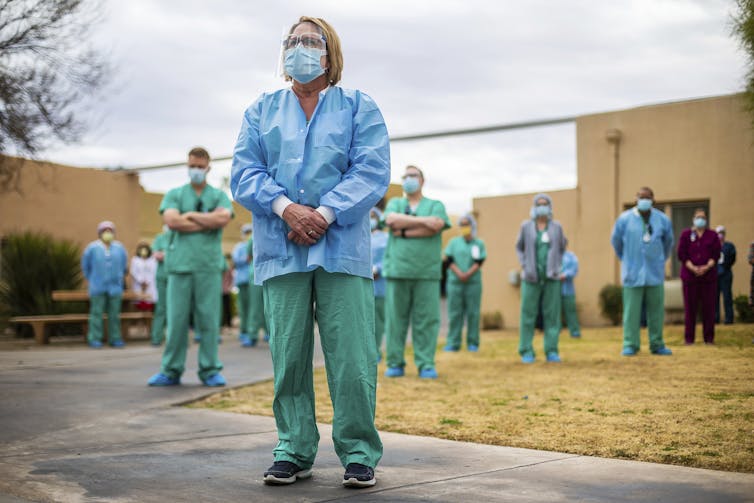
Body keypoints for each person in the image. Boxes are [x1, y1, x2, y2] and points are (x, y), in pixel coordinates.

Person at [230, 16, 389, 488]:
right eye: (292, 41)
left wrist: (323, 213)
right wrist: (285, 208)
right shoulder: (261, 110)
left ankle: (359, 451)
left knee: (353, 355)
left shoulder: (359, 107)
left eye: (310, 40)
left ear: (329, 51)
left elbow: (372, 170)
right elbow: (244, 171)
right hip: (281, 247)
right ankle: (293, 448)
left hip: (341, 247)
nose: (299, 47)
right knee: (289, 354)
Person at [148, 146, 233, 387]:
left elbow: (223, 218)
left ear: (208, 167)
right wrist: (207, 222)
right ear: (188, 166)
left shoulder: (218, 196)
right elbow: (171, 221)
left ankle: (209, 370)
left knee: (208, 321)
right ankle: (170, 370)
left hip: (208, 266)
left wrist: (189, 217)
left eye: (199, 166)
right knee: (176, 322)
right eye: (192, 165)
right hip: (180, 267)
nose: (195, 170)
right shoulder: (175, 194)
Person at [383, 165, 450, 378]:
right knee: (395, 320)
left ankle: (426, 364)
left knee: (427, 320)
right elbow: (391, 220)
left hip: (426, 272)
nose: (408, 179)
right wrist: (423, 222)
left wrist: (403, 230)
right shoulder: (395, 203)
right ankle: (395, 363)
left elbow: (437, 225)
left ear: (422, 180)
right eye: (405, 176)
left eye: (413, 175)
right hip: (398, 270)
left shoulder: (435, 205)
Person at [610, 187, 674, 356]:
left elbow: (668, 243)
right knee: (631, 312)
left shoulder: (662, 219)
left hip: (655, 273)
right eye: (641, 197)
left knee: (656, 312)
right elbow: (616, 242)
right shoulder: (624, 219)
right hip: (632, 273)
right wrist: (626, 259)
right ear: (636, 199)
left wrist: (660, 259)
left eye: (647, 197)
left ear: (653, 199)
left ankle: (657, 344)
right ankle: (630, 344)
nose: (644, 200)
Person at [515, 194, 567, 363]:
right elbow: (519, 247)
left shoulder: (556, 227)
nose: (542, 207)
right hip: (530, 277)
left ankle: (551, 350)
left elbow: (562, 246)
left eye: (545, 204)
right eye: (539, 204)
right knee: (527, 314)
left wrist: (556, 266)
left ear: (550, 207)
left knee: (552, 315)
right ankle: (526, 351)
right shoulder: (526, 226)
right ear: (534, 207)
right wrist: (525, 264)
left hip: (551, 277)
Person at [81, 221, 128, 348]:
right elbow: (85, 266)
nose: (108, 233)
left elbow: (124, 266)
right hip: (97, 286)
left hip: (115, 287)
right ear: (99, 233)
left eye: (110, 231)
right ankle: (95, 338)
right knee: (96, 313)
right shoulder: (92, 248)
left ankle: (115, 338)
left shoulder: (119, 248)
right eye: (105, 230)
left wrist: (119, 277)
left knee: (114, 314)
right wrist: (92, 279)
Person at [443, 213, 486, 352]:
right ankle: (453, 342)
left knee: (473, 313)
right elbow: (448, 259)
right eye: (462, 225)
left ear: (472, 225)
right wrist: (459, 273)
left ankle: (473, 342)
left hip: (472, 283)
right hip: (455, 283)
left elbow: (479, 261)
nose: (464, 227)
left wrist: (468, 274)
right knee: (455, 313)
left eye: (466, 224)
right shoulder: (454, 242)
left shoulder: (478, 243)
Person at [677, 209, 721, 344]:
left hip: (708, 279)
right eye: (697, 217)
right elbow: (681, 254)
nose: (700, 219)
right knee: (690, 310)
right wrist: (693, 268)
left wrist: (707, 267)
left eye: (702, 217)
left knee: (709, 309)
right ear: (693, 219)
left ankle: (709, 338)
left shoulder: (712, 235)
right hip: (690, 278)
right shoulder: (686, 234)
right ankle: (689, 339)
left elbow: (716, 254)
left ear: (706, 220)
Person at [233, 224, 260, 347]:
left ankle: (266, 332)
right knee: (248, 307)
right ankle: (249, 333)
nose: (249, 233)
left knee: (262, 306)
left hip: (261, 275)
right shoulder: (242, 245)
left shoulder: (256, 237)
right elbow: (245, 258)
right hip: (249, 278)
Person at [370, 206, 388, 360]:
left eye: (373, 216)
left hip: (379, 285)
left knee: (377, 321)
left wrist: (377, 269)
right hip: (360, 283)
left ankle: (375, 352)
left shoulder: (386, 238)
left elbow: (389, 258)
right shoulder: (359, 236)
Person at [150, 226, 170, 346]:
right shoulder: (159, 238)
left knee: (177, 309)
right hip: (162, 277)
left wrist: (165, 254)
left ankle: (175, 338)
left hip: (176, 277)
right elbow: (156, 255)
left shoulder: (180, 237)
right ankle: (157, 337)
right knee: (161, 308)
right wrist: (170, 254)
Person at [715, 225, 736, 324]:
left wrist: (725, 267)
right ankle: (715, 318)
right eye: (719, 233)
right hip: (715, 274)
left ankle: (729, 318)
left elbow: (732, 258)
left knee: (727, 296)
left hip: (726, 274)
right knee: (715, 298)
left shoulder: (729, 246)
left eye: (722, 233)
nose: (720, 235)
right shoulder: (713, 246)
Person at [560, 249, 581, 338]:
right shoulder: (551, 254)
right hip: (553, 289)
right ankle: (555, 332)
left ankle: (575, 332)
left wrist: (565, 275)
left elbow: (574, 269)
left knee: (571, 311)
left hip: (568, 289)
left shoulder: (570, 256)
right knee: (553, 312)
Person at [129, 241, 157, 309]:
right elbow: (133, 272)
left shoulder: (153, 260)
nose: (144, 251)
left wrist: (147, 282)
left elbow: (154, 272)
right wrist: (141, 281)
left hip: (150, 285)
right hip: (138, 285)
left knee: (149, 302)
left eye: (145, 249)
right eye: (142, 249)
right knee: (138, 302)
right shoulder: (135, 260)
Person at [221, 253, 234, 332]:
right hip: (220, 291)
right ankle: (222, 325)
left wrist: (229, 287)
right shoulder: (221, 268)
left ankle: (228, 325)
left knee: (227, 309)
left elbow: (231, 279)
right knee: (222, 309)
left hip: (226, 291)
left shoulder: (228, 269)